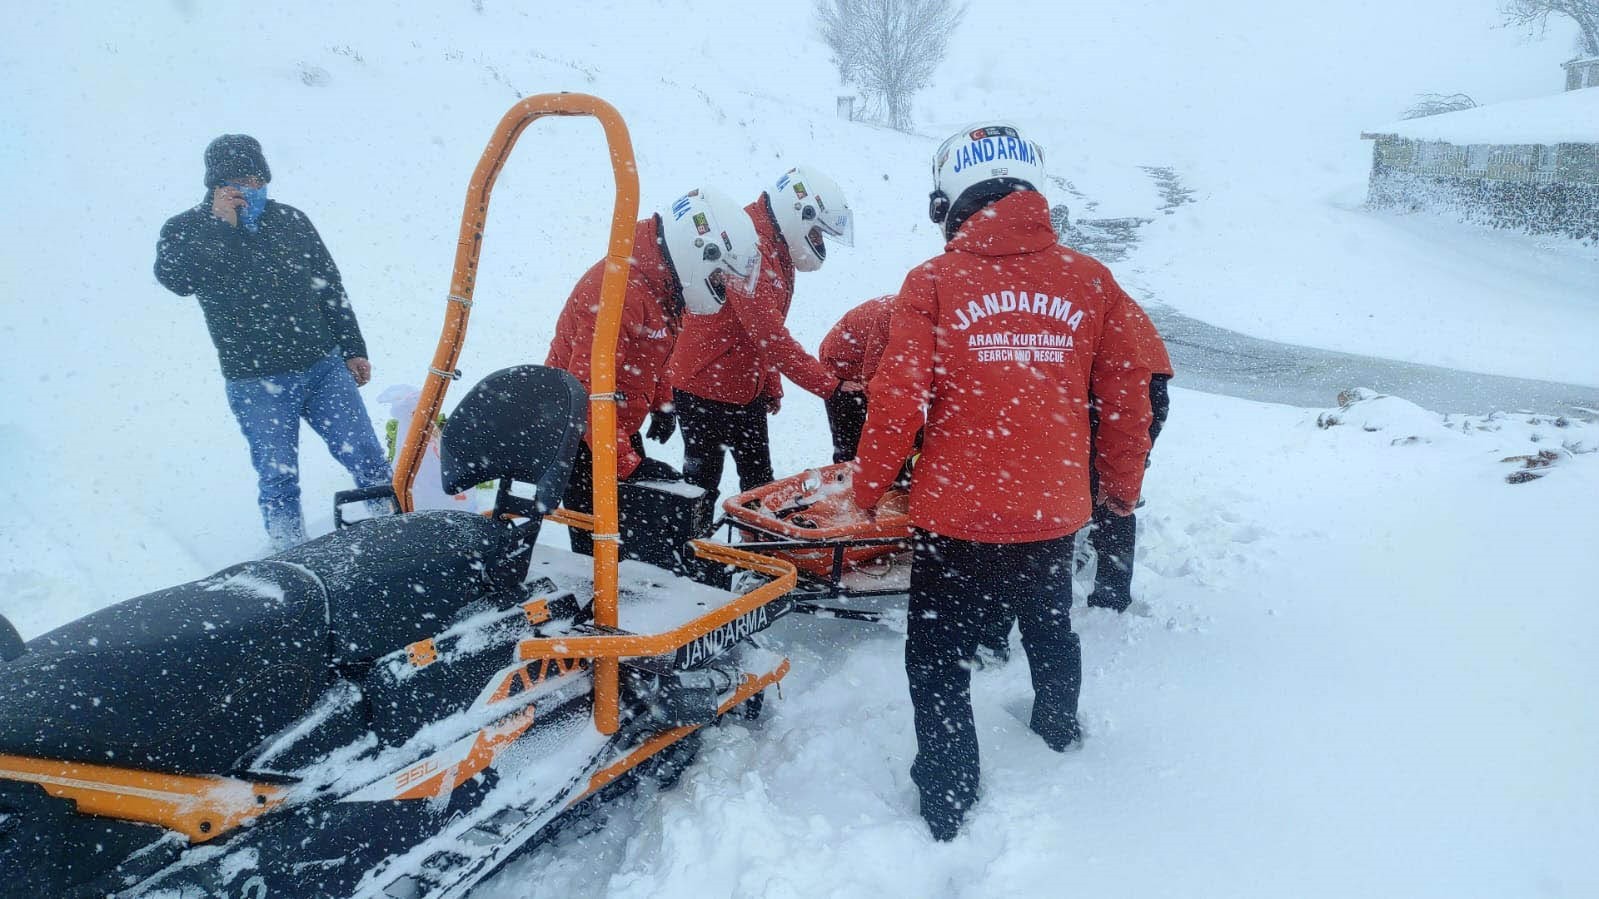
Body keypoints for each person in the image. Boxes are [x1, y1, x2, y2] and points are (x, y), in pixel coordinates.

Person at [850, 123, 1157, 842]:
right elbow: (1124, 398)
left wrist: (867, 487)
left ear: (951, 198)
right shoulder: (1091, 280)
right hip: (1051, 512)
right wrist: (1119, 488)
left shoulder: (932, 281)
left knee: (936, 658)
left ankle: (949, 792)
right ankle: (1057, 734)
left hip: (953, 515)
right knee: (1050, 629)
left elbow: (897, 399)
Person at [155, 134, 390, 550]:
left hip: (322, 367)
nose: (250, 186)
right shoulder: (185, 229)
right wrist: (218, 228)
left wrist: (353, 348)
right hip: (255, 381)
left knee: (368, 458)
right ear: (215, 185)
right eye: (237, 179)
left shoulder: (290, 220)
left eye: (256, 177)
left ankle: (395, 536)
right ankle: (290, 553)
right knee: (279, 477)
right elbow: (178, 281)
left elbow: (329, 287)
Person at [545, 187, 761, 546]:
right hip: (579, 432)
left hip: (609, 424)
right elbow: (584, 392)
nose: (721, 285)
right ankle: (598, 599)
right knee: (602, 542)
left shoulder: (661, 283)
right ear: (698, 253)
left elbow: (652, 354)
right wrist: (630, 465)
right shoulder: (619, 291)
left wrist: (662, 402)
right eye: (718, 275)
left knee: (637, 529)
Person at [666, 167, 863, 501]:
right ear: (800, 214)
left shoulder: (776, 243)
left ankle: (753, 548)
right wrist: (830, 387)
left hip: (743, 390)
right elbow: (769, 334)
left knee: (759, 485)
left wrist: (767, 382)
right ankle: (692, 549)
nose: (817, 243)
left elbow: (759, 328)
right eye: (816, 234)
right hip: (702, 387)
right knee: (701, 485)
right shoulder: (749, 244)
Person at [1083, 306, 1173, 612]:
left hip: (1121, 392)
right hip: (1145, 387)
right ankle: (1110, 587)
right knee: (1114, 484)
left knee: (1107, 492)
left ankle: (1109, 595)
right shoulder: (1106, 296)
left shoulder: (1081, 298)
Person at [818, 294, 895, 462]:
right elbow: (874, 371)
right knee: (850, 444)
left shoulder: (921, 315)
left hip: (864, 361)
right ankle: (848, 479)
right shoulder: (892, 318)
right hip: (841, 367)